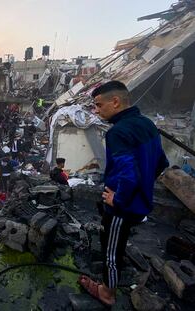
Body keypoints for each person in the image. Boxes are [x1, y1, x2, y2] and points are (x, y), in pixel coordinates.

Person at [78, 81, 169, 306]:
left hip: (122, 206)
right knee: (117, 241)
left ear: (115, 102)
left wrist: (117, 199)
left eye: (98, 105)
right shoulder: (147, 124)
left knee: (111, 250)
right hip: (140, 203)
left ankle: (107, 293)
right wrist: (143, 186)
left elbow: (128, 174)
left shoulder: (118, 132)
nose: (96, 111)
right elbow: (161, 163)